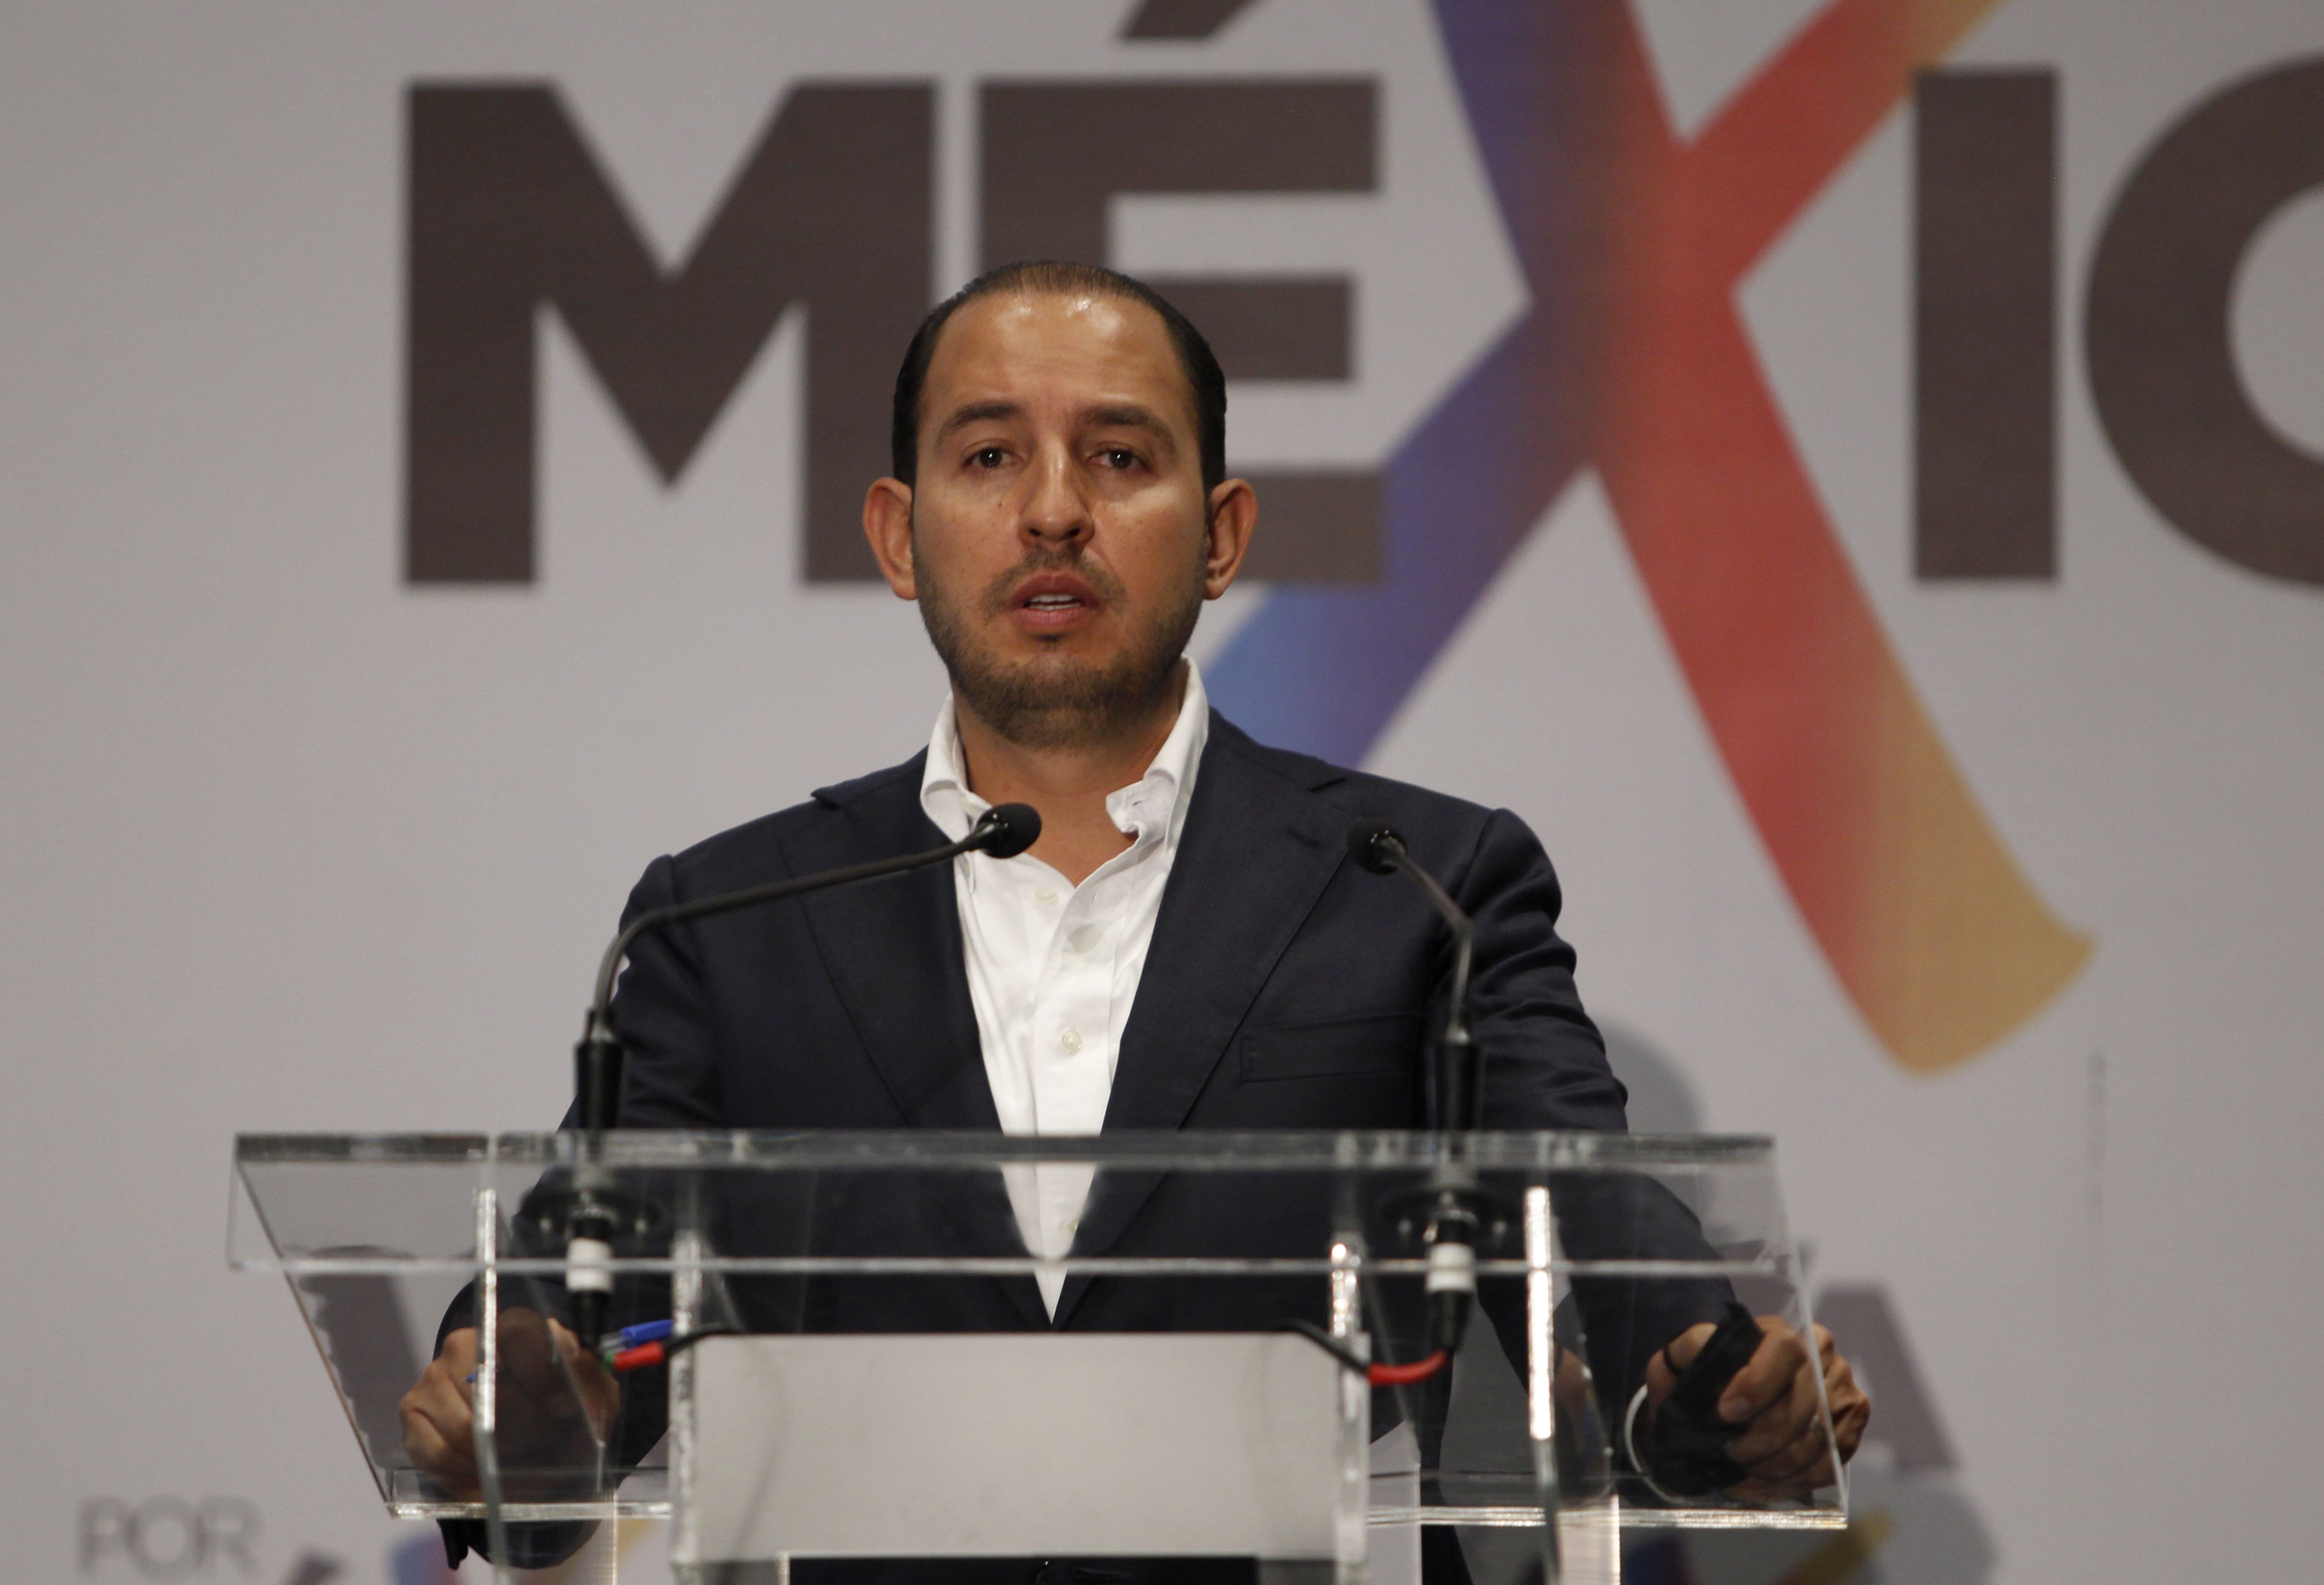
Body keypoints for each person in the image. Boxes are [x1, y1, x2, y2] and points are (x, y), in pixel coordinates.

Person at [400, 260, 1869, 1576]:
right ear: (900, 537)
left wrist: (1708, 1370)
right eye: (990, 455)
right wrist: (515, 1394)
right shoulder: (732, 919)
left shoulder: (1419, 883)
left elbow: (1576, 1201)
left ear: (1220, 535)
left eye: (1119, 456)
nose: (1053, 510)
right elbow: (588, 1286)